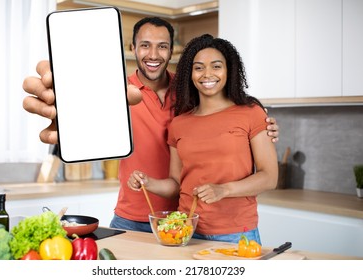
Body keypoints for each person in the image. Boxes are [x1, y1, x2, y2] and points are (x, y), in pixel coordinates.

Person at [22, 17, 280, 233]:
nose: (153, 54)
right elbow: (84, 117)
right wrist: (67, 113)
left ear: (171, 52)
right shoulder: (113, 92)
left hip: (184, 219)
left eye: (162, 46)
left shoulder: (191, 91)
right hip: (131, 217)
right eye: (145, 45)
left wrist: (259, 122)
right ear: (133, 48)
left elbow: (228, 116)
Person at [128, 34, 278, 244]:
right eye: (198, 68)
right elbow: (176, 184)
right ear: (190, 73)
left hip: (235, 233)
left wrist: (224, 189)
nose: (207, 74)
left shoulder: (251, 112)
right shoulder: (179, 124)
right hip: (186, 230)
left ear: (229, 70)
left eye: (216, 66)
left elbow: (270, 177)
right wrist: (147, 182)